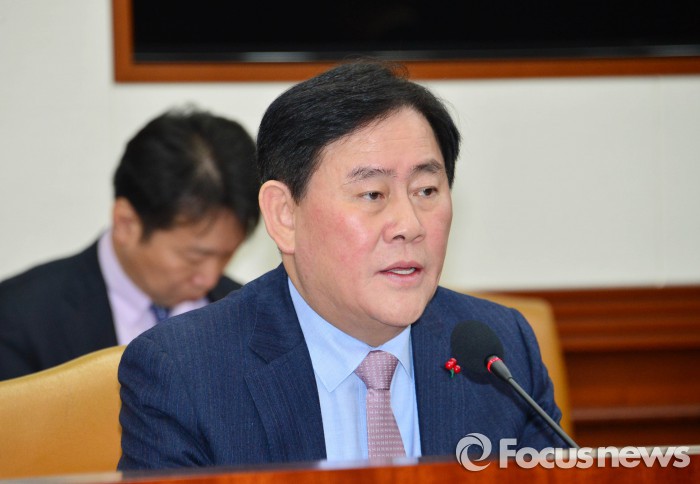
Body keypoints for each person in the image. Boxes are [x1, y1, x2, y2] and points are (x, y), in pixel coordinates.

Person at [117, 60, 566, 470]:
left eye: (427, 191)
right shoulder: (185, 373)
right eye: (372, 195)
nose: (409, 225)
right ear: (284, 215)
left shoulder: (502, 352)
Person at [0, 105, 260, 381]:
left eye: (226, 255)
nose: (209, 279)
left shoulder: (252, 315)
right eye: (194, 257)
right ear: (126, 223)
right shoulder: (20, 320)